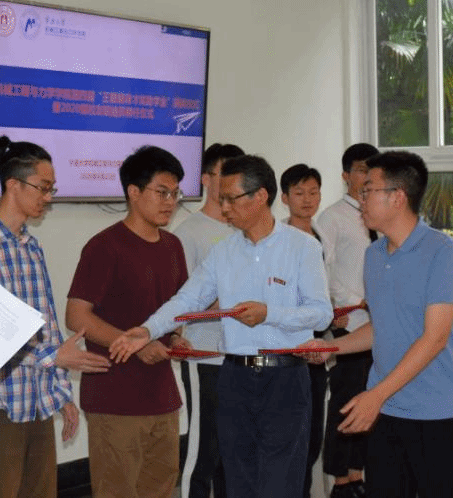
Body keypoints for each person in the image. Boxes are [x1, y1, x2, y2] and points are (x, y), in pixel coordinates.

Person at [110, 155, 333, 498]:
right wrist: (148, 329)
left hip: (285, 378)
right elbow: (188, 299)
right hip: (234, 378)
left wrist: (270, 313)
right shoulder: (224, 252)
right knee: (237, 480)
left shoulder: (302, 246)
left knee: (281, 482)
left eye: (231, 198)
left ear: (260, 196)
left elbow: (321, 314)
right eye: (221, 198)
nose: (224, 207)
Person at [303, 151, 453, 498]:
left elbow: (435, 338)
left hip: (437, 412)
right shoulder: (374, 255)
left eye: (368, 190)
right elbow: (381, 327)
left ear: (397, 197)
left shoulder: (442, 252)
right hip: (387, 411)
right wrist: (331, 346)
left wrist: (375, 395)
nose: (360, 198)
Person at [0, 136, 109, 498]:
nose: (48, 197)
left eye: (51, 189)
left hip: (38, 401)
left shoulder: (32, 246)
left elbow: (47, 326)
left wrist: (61, 394)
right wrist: (54, 357)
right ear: (13, 185)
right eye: (43, 187)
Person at [65, 145, 190, 498]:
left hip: (162, 396)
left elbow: (175, 309)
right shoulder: (105, 246)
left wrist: (176, 337)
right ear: (134, 192)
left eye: (175, 194)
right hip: (115, 398)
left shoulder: (173, 246)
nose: (170, 202)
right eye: (161, 192)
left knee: (161, 489)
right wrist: (135, 345)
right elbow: (76, 315)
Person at [171, 142, 244, 498]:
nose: (231, 183)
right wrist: (227, 300)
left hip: (243, 355)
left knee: (235, 452)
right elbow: (181, 302)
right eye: (223, 174)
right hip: (206, 356)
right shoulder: (188, 232)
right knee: (203, 452)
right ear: (205, 179)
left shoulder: (245, 229)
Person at [314, 143, 378, 498]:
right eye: (360, 169)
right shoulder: (332, 217)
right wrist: (351, 304)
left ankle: (357, 473)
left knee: (370, 399)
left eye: (372, 170)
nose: (366, 176)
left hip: (379, 326)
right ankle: (339, 479)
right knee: (345, 401)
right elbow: (324, 271)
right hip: (349, 325)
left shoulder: (379, 216)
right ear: (345, 175)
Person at [279, 163, 328, 498]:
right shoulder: (279, 242)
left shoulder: (320, 237)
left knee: (312, 439)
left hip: (317, 350)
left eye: (313, 192)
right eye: (299, 193)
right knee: (289, 440)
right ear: (284, 198)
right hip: (289, 353)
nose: (308, 199)